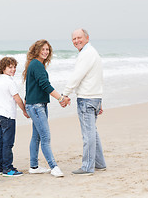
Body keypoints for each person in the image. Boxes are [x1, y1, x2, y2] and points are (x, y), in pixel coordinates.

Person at [62, 29, 106, 176]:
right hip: (94, 97)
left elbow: (76, 76)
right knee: (92, 132)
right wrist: (99, 99)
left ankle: (87, 167)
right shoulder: (92, 52)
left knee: (88, 134)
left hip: (87, 98)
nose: (76, 41)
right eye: (74, 39)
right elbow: (98, 77)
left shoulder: (87, 54)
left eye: (79, 37)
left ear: (87, 38)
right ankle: (99, 163)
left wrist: (65, 94)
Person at [23, 39, 68, 178]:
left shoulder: (35, 64)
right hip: (36, 106)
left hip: (35, 105)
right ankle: (53, 166)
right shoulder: (36, 65)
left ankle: (34, 166)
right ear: (36, 50)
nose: (45, 52)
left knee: (36, 136)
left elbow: (30, 87)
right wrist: (60, 98)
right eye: (42, 49)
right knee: (45, 137)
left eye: (47, 49)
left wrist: (26, 104)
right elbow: (45, 85)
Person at [0, 57, 30, 177]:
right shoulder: (9, 82)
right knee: (8, 143)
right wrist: (25, 111)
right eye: (10, 67)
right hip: (8, 116)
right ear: (3, 68)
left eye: (14, 67)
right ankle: (7, 168)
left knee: (0, 141)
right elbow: (17, 99)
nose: (13, 69)